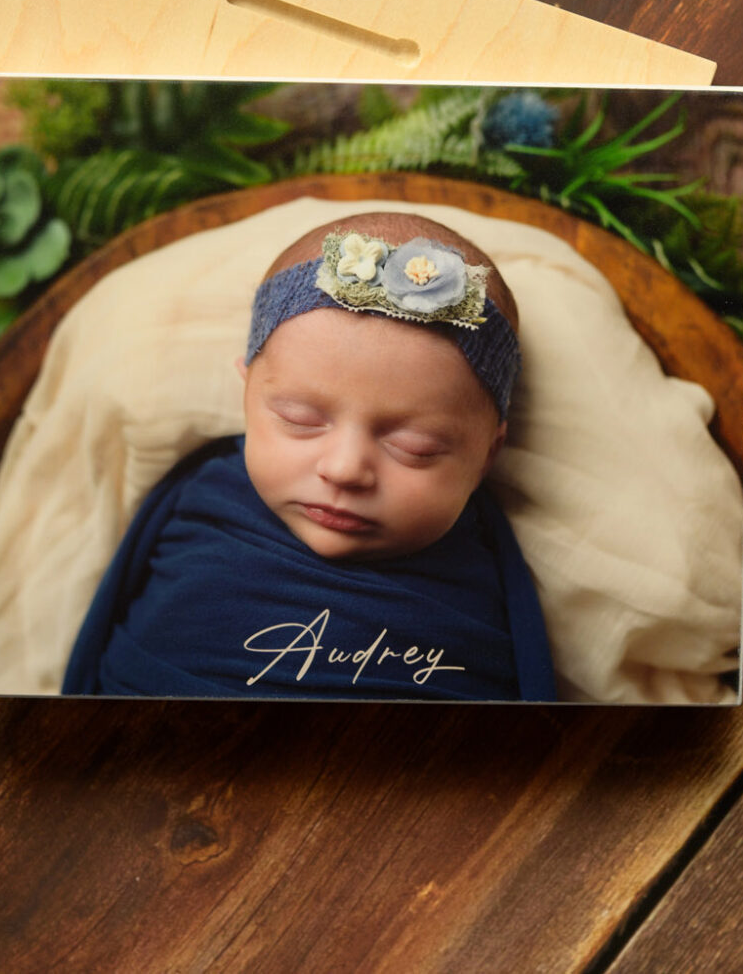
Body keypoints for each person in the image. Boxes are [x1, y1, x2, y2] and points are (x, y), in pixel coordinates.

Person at [62, 212, 557, 700]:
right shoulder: (199, 492)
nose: (343, 470)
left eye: (414, 448)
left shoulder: (484, 561)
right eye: (300, 419)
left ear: (488, 455)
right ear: (246, 398)